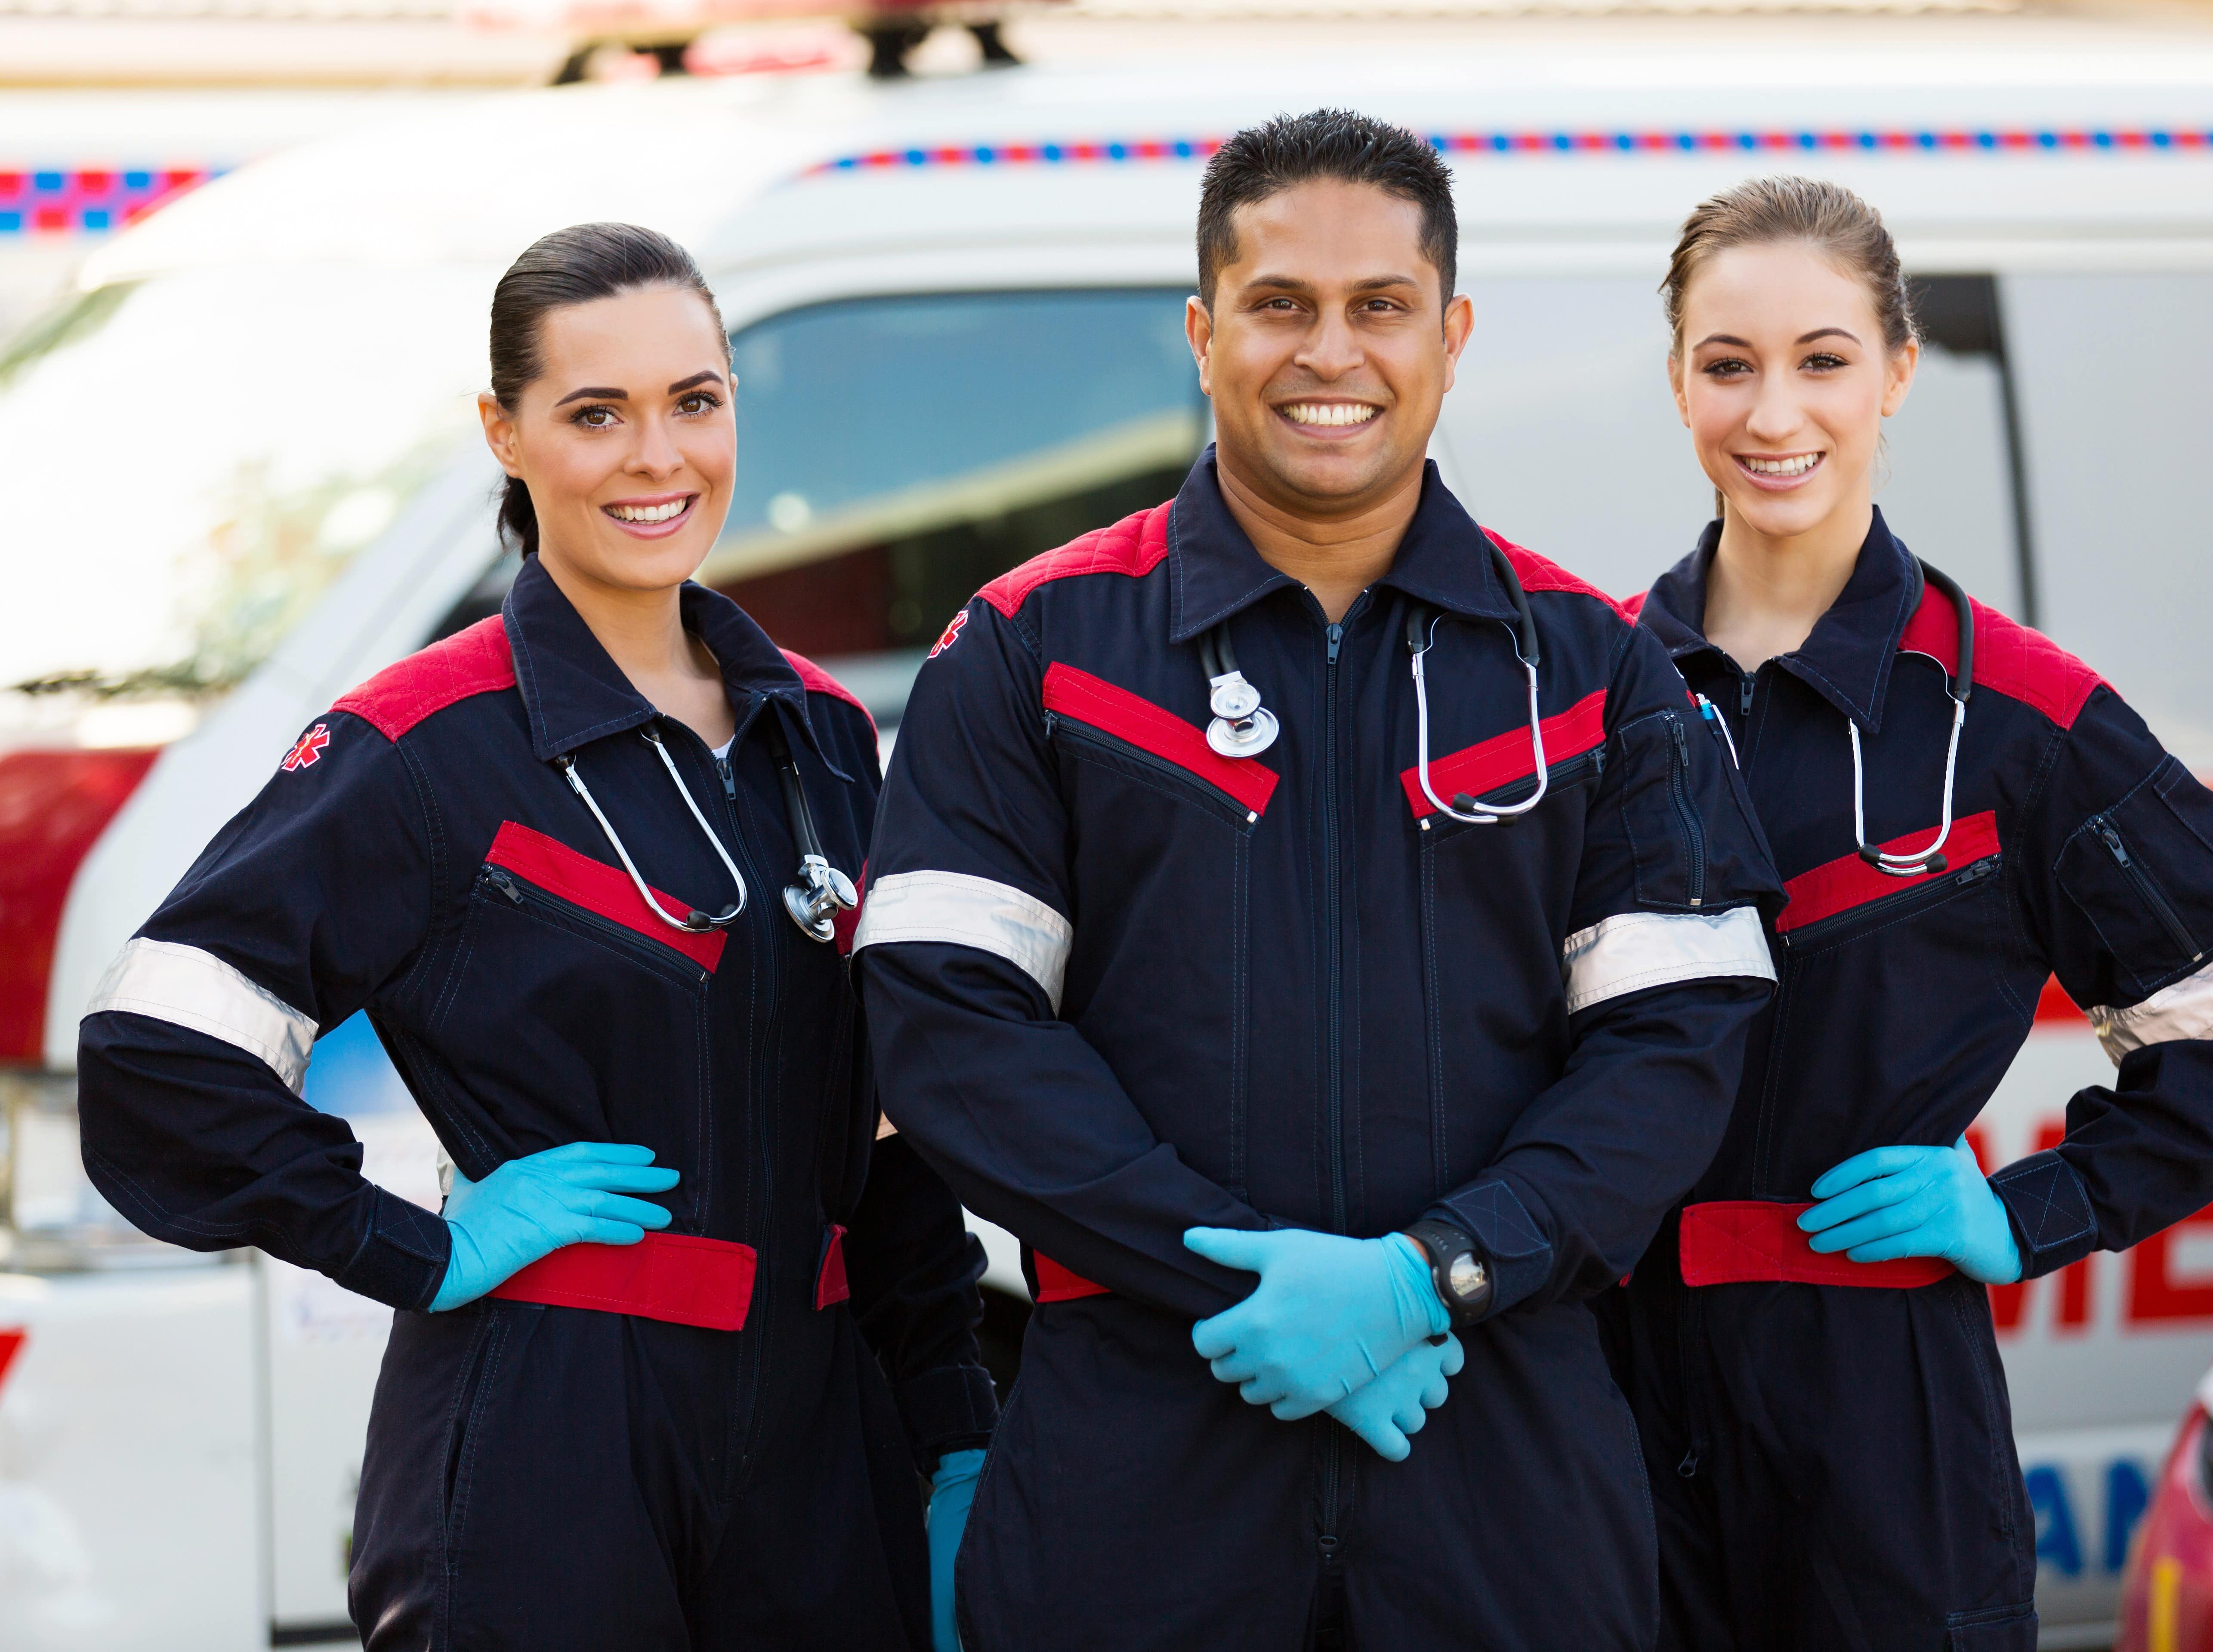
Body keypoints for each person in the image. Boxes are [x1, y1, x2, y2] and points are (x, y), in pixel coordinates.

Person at [852, 109, 1782, 1652]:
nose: (1327, 351)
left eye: (1379, 307)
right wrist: (1235, 1276)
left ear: (1452, 333)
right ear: (1206, 331)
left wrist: (1431, 1279)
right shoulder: (1034, 649)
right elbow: (952, 1025)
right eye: (1280, 304)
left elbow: (1676, 1052)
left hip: (1498, 1459)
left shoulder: (1592, 668)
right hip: (1140, 1461)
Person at [76, 223, 997, 1652]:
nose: (658, 457)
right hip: (551, 1438)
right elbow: (154, 1060)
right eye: (594, 413)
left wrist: (952, 1437)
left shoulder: (817, 735)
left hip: (822, 1443)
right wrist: (414, 1247)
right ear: (504, 433)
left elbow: (887, 1137)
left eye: (695, 402)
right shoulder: (422, 747)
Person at [1601, 176, 2213, 1650]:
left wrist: (2027, 1212)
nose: (1774, 412)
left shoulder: (2016, 718)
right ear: (1678, 379)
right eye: (1728, 362)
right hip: (1610, 1399)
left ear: (1896, 374)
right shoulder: (1591, 696)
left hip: (1881, 1414)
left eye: (1822, 358)